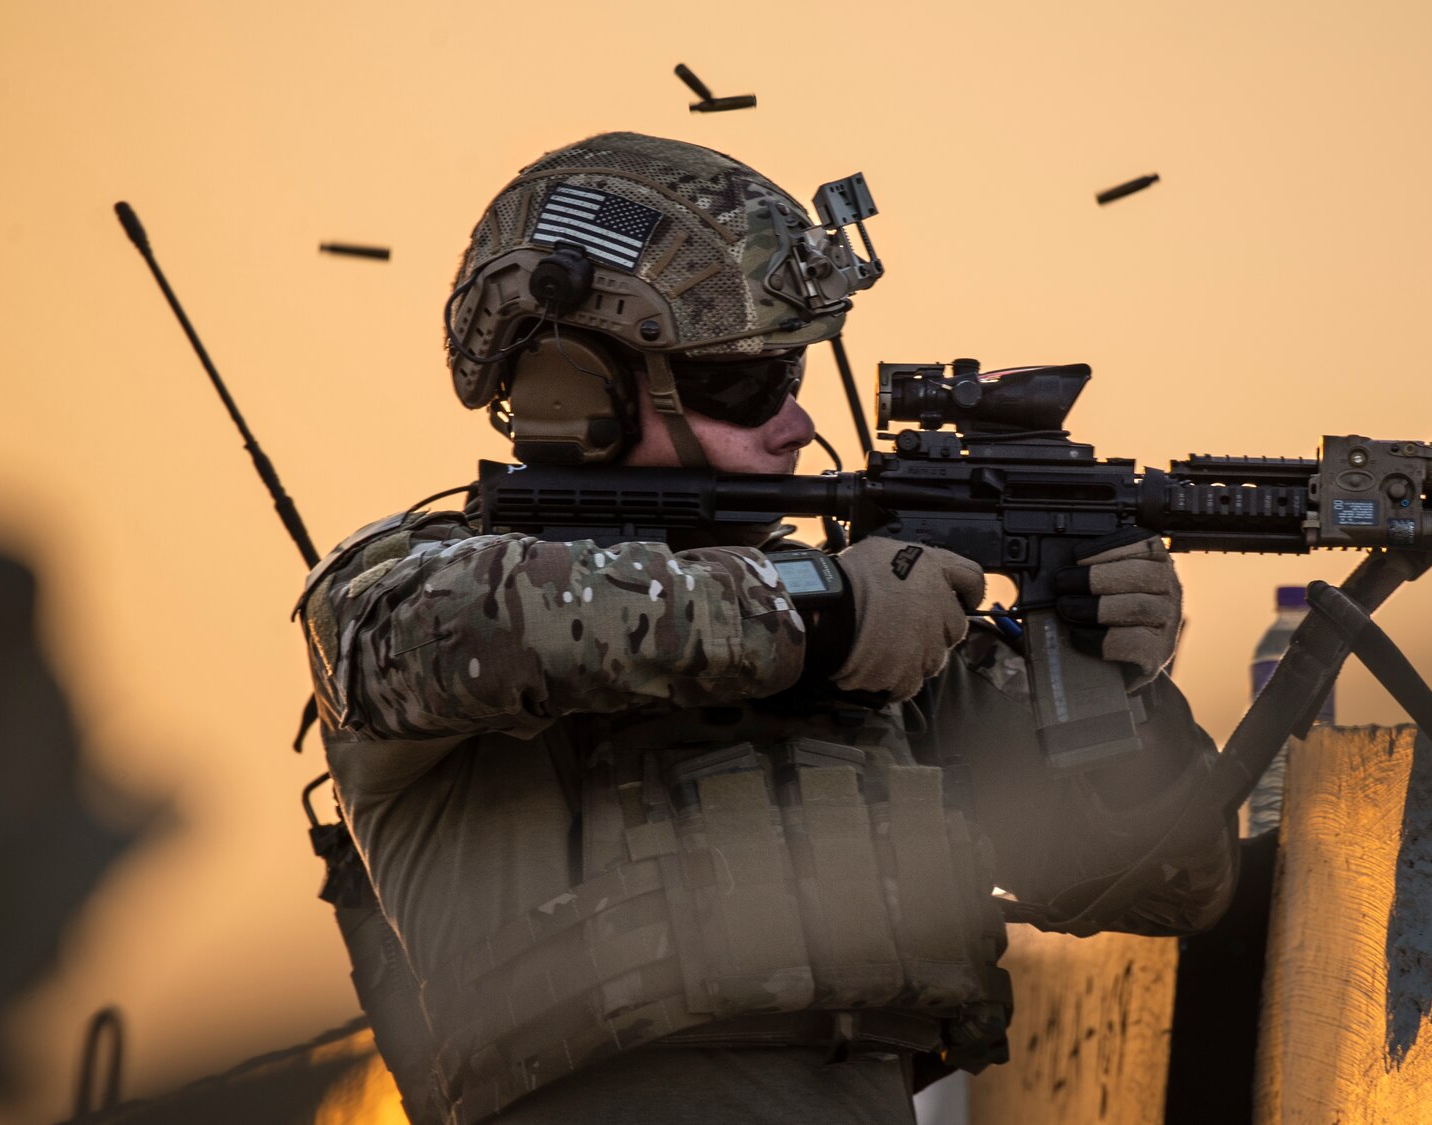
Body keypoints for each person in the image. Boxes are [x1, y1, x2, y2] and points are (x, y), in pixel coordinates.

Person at [297, 132, 1237, 1125]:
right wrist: (823, 611)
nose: (791, 424)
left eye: (790, 377)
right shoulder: (405, 589)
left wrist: (1106, 676)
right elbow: (451, 631)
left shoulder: (894, 630)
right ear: (574, 385)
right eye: (743, 385)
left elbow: (1166, 885)